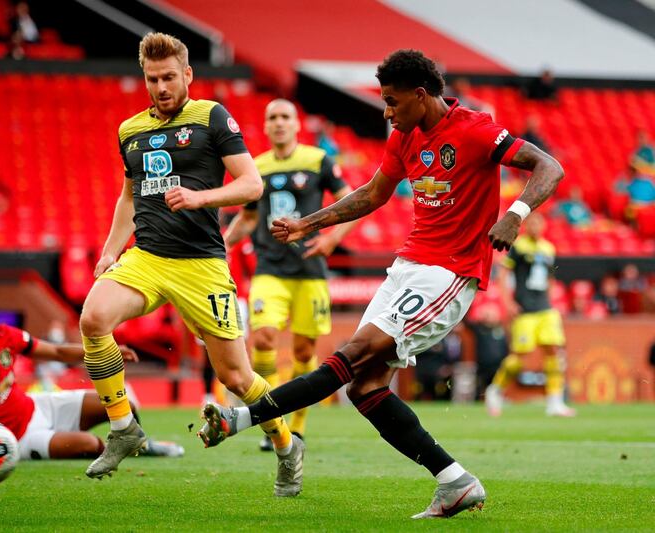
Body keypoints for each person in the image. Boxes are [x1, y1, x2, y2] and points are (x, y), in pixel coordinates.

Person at [199, 49, 564, 518]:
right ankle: (455, 481)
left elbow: (548, 166)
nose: (387, 112)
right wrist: (309, 224)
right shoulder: (404, 136)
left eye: (392, 102)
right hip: (409, 266)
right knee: (364, 387)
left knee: (352, 355)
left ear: (420, 95)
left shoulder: (474, 129)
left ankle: (238, 419)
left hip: (450, 273)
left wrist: (515, 215)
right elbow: (373, 194)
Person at [77, 33, 302, 495]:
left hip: (201, 264)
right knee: (93, 318)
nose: (160, 87)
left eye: (169, 78)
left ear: (187, 75)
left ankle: (285, 445)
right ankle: (124, 427)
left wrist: (201, 197)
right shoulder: (130, 130)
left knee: (236, 377)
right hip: (148, 257)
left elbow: (252, 185)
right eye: (152, 79)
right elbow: (128, 196)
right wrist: (109, 250)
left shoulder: (211, 117)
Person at [224, 99, 356, 451]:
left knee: (303, 349)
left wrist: (332, 239)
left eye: (285, 117)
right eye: (272, 118)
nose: (279, 123)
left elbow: (352, 203)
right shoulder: (257, 166)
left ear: (297, 124)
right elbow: (249, 217)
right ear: (265, 127)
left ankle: (297, 425)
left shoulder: (318, 160)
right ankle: (273, 420)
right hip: (270, 268)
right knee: (264, 338)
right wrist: (224, 244)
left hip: (310, 270)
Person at [0, 302, 183, 463]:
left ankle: (141, 446)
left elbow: (57, 352)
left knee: (122, 402)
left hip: (38, 406)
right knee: (90, 445)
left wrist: (101, 351)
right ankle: (117, 452)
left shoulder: (7, 336)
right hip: (19, 438)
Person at [485, 212, 575, 417]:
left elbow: (550, 277)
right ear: (526, 226)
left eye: (538, 222)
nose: (535, 226)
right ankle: (495, 391)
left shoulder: (548, 248)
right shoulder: (518, 246)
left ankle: (554, 401)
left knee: (553, 351)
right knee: (519, 356)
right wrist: (508, 303)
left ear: (543, 226)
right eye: (532, 222)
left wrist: (550, 299)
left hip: (545, 309)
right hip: (525, 309)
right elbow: (504, 273)